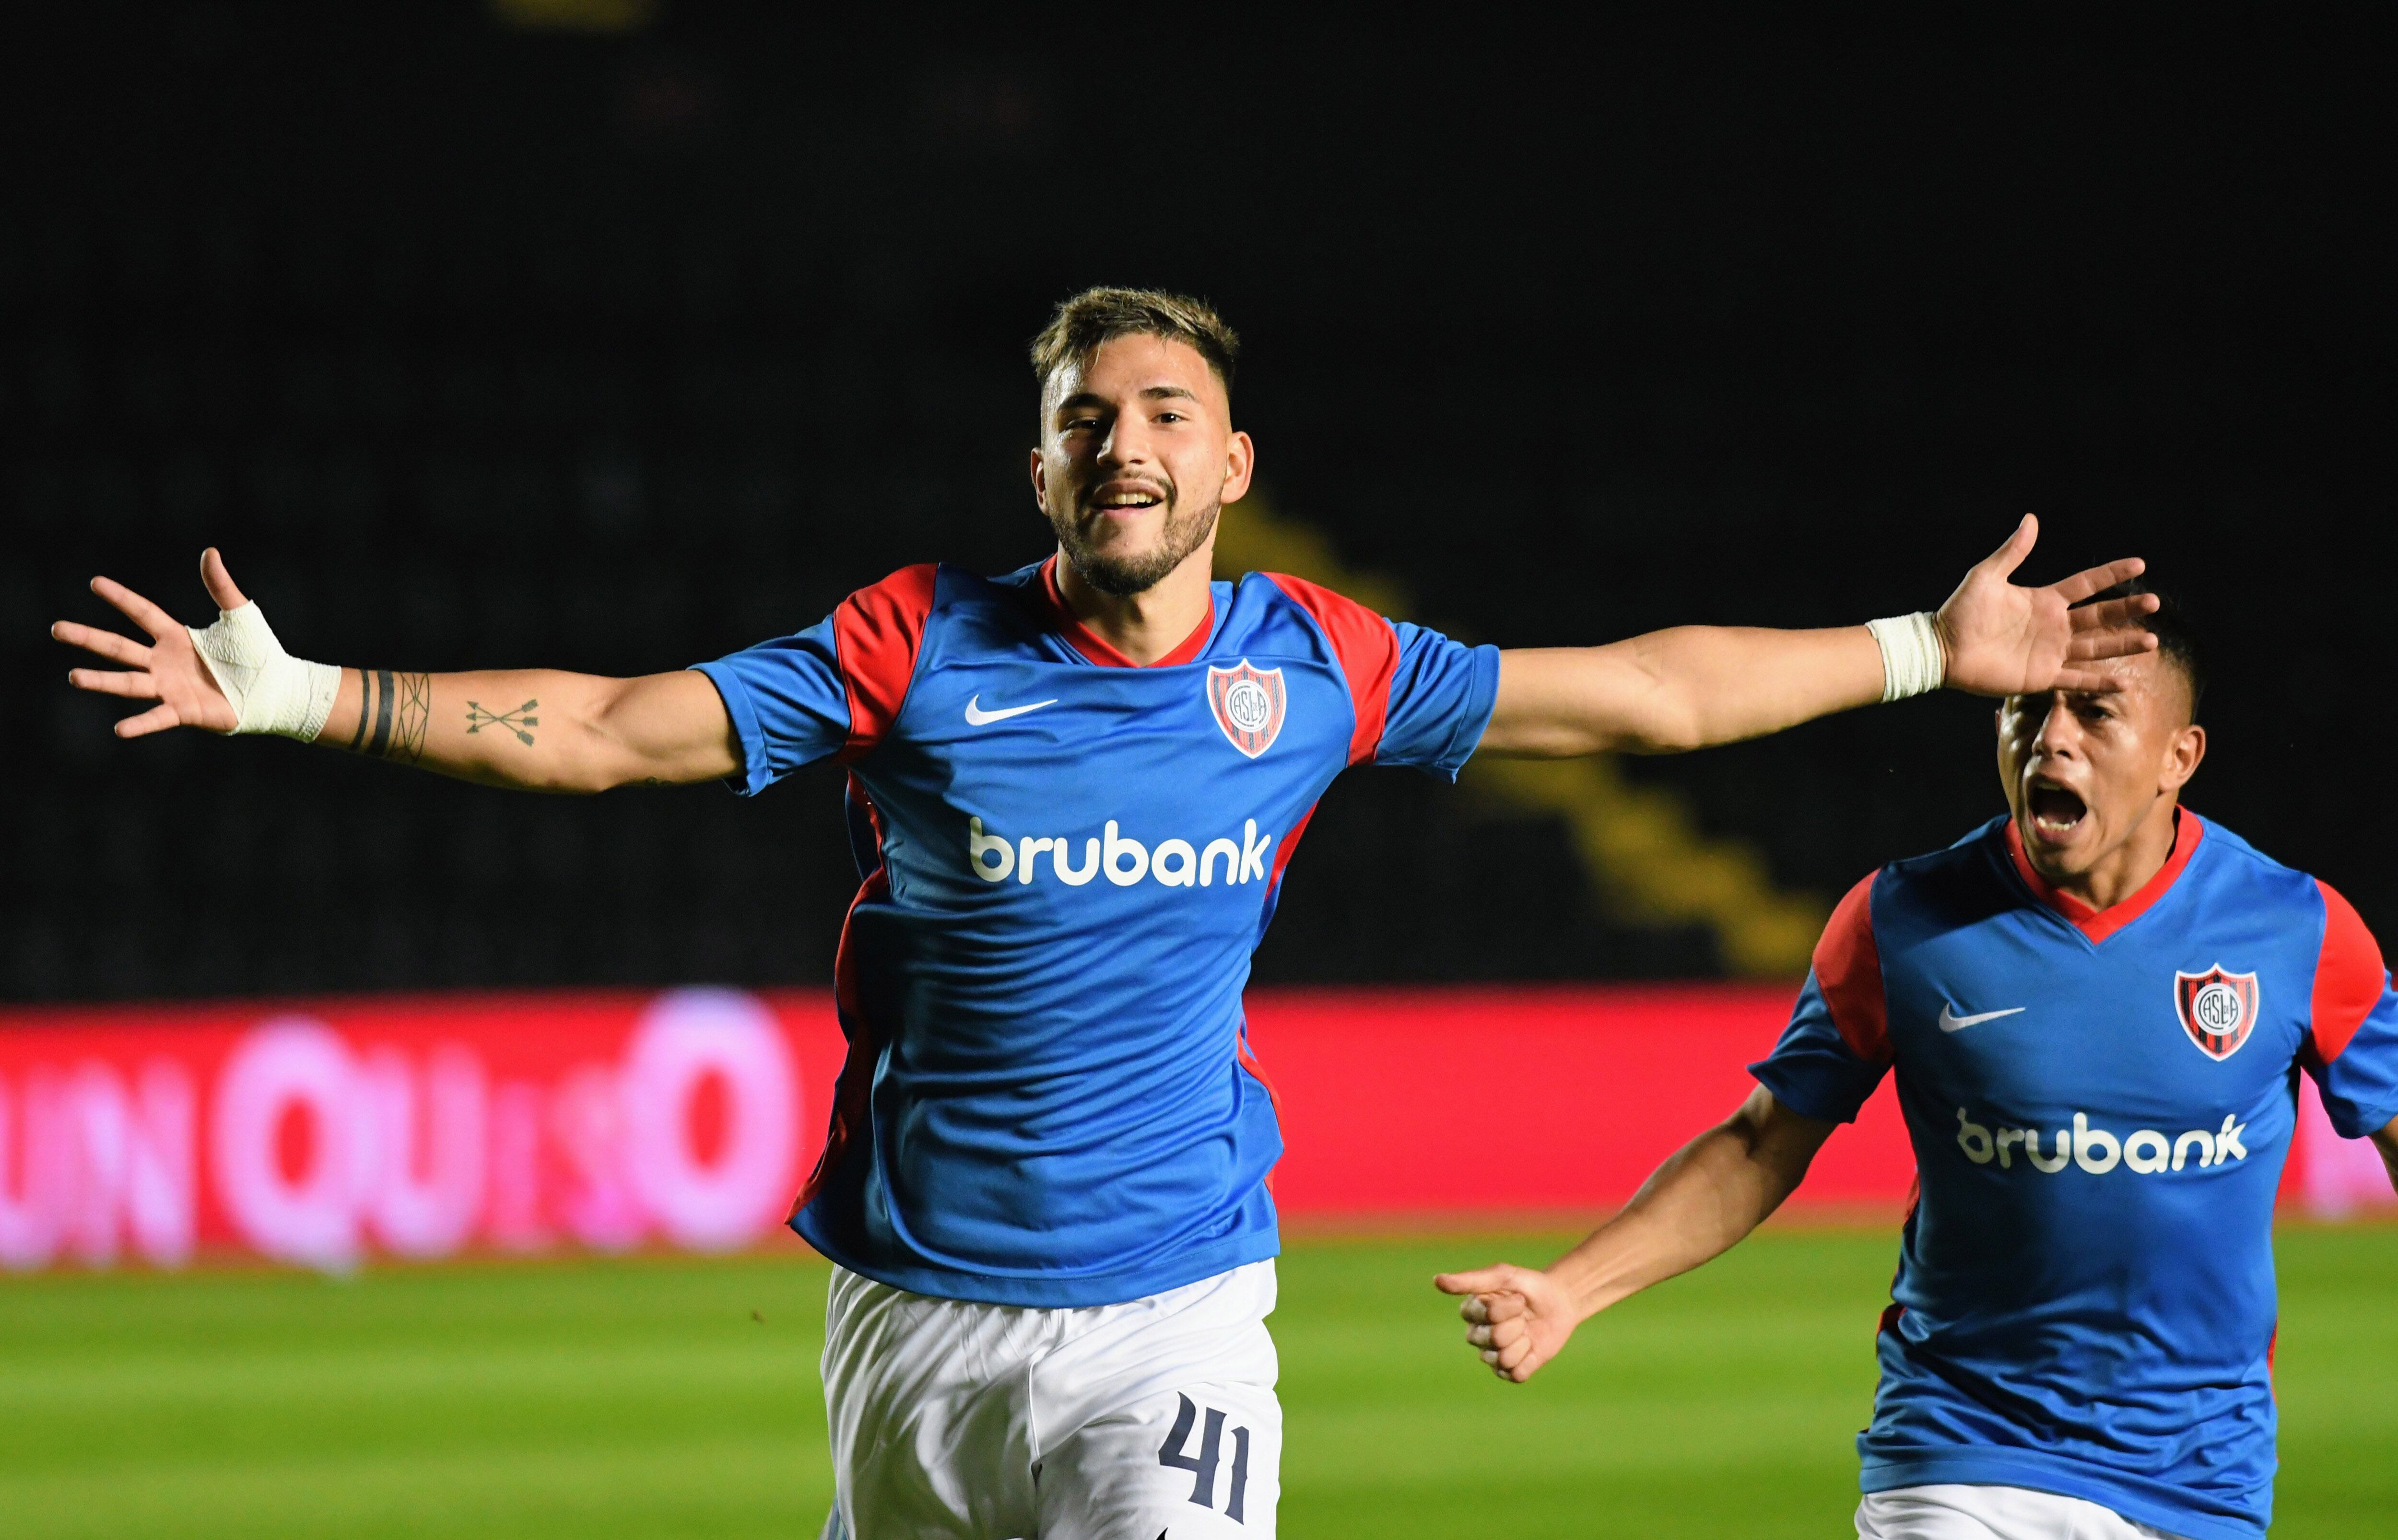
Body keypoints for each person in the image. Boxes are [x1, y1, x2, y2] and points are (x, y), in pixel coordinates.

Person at [55, 286, 2160, 1539]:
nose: (1122, 440)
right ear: (1040, 471)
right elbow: (608, 731)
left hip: (1163, 1307)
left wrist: (1914, 645)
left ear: (1230, 461)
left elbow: (1641, 694)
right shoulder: (914, 646)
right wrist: (313, 693)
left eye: (1162, 411)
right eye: (1086, 417)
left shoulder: (1309, 662)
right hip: (904, 1318)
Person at [1436, 587, 2398, 1540]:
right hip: (1958, 1453)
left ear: (2177, 757)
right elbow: (1760, 1144)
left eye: (2095, 714)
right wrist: (1572, 1289)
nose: (2050, 740)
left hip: (2198, 1479)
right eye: (2026, 710)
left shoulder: (2297, 931)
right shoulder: (1905, 920)